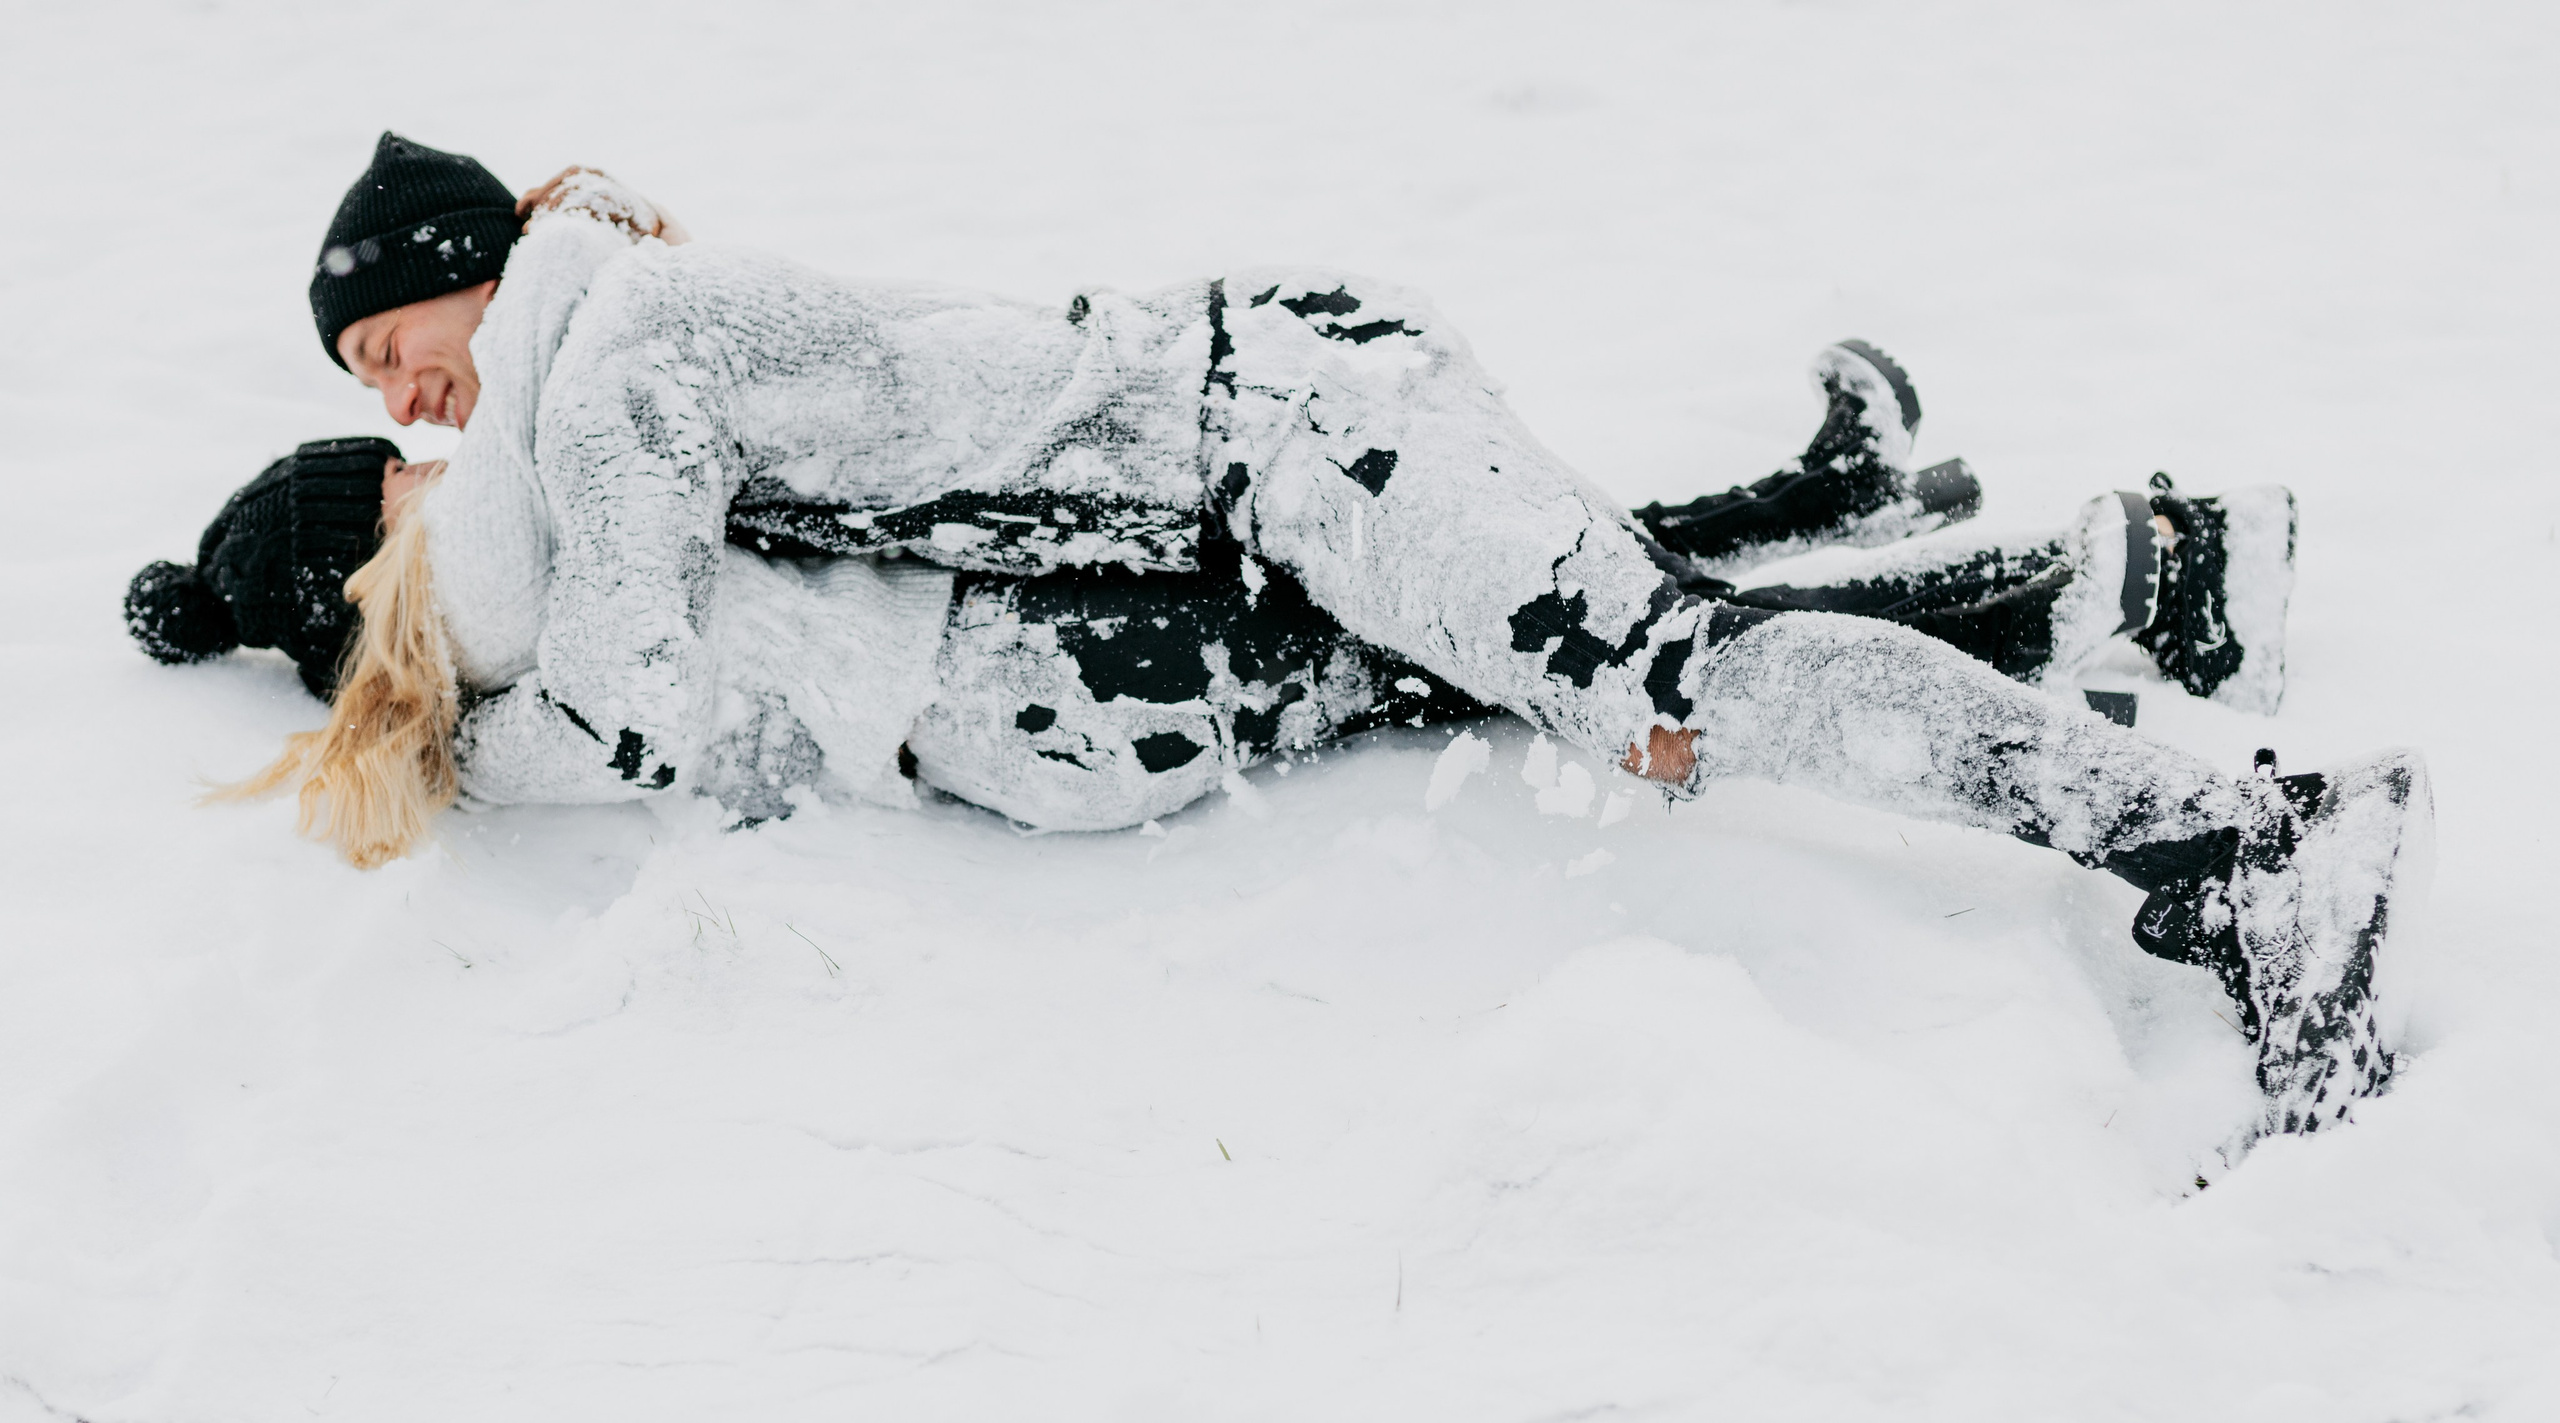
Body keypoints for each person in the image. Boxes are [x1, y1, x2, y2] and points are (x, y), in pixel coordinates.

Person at [124, 133, 2423, 1139]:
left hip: (1296, 432)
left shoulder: (613, 352)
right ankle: (2149, 617)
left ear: (465, 265)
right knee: (1636, 667)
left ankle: (2227, 844)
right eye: (359, 388)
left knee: (1659, 687)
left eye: (397, 341)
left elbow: (624, 695)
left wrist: (437, 725)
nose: (398, 393)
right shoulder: (576, 378)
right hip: (1251, 500)